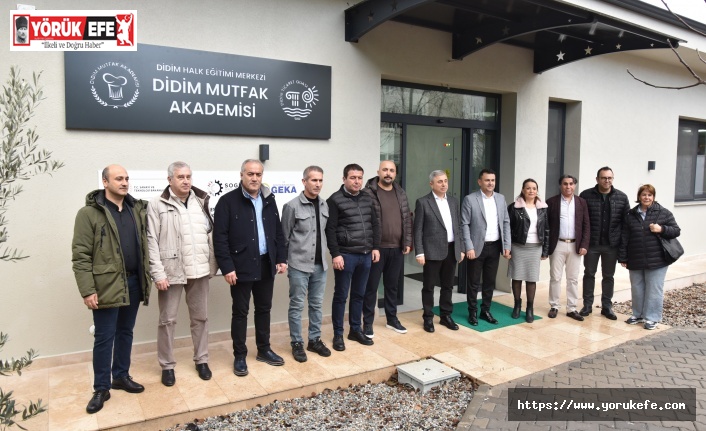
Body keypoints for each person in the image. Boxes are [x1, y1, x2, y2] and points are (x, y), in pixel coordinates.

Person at [72, 165, 150, 414]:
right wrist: (87, 290)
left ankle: (121, 376)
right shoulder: (89, 214)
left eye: (126, 178)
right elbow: (81, 256)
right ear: (105, 182)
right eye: (118, 179)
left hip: (134, 282)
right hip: (106, 285)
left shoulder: (135, 209)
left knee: (126, 331)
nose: (124, 182)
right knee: (104, 337)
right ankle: (101, 388)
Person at [213, 159, 287, 377]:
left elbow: (278, 231)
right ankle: (240, 355)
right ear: (241, 175)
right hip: (241, 266)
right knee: (240, 312)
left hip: (266, 264)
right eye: (250, 174)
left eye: (258, 174)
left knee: (264, 309)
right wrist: (227, 267)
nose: (255, 178)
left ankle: (264, 349)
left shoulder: (269, 199)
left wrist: (281, 257)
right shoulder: (227, 202)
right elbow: (220, 238)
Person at [147, 162, 216, 386]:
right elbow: (151, 241)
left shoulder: (201, 201)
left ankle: (202, 360)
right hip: (171, 271)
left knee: (201, 318)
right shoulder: (157, 204)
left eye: (188, 176)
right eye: (180, 177)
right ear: (170, 180)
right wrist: (158, 273)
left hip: (199, 270)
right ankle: (167, 366)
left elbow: (209, 234)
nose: (186, 181)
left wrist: (212, 266)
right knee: (167, 320)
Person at [326, 163, 380, 351]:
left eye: (359, 178)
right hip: (346, 255)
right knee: (341, 296)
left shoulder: (367, 198)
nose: (357, 181)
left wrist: (375, 247)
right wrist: (335, 254)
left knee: (359, 295)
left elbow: (375, 224)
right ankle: (338, 334)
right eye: (353, 178)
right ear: (344, 179)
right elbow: (330, 230)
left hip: (365, 255)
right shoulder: (335, 200)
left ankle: (355, 330)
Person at [281, 166, 332, 362]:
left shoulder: (324, 205)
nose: (317, 184)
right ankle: (296, 343)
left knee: (316, 305)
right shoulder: (292, 206)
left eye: (320, 180)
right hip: (299, 265)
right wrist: (284, 262)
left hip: (320, 266)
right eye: (313, 180)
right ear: (304, 182)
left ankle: (314, 340)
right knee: (297, 305)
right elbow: (284, 237)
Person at [619, 185, 680, 330]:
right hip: (635, 257)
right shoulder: (631, 215)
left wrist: (661, 229)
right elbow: (624, 237)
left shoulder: (663, 213)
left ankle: (652, 318)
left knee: (654, 289)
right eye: (644, 195)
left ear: (653, 197)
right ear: (639, 197)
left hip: (657, 259)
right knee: (637, 288)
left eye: (649, 195)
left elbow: (676, 231)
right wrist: (623, 257)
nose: (646, 197)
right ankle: (638, 314)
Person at [362, 160, 413, 336]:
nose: (388, 173)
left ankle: (392, 319)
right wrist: (371, 246)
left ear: (395, 173)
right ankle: (367, 323)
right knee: (371, 287)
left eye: (391, 170)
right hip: (376, 249)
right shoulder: (368, 192)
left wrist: (407, 242)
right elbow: (364, 222)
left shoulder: (400, 192)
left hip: (397, 248)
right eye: (385, 170)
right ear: (378, 172)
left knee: (392, 286)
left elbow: (407, 219)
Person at [414, 170, 464, 333]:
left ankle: (445, 315)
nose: (443, 184)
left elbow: (458, 226)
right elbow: (418, 229)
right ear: (431, 184)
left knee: (448, 285)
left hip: (451, 249)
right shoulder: (423, 202)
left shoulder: (453, 201)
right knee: (429, 286)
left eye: (445, 181)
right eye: (439, 181)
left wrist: (461, 248)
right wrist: (420, 252)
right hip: (431, 251)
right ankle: (428, 317)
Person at [461, 168, 511, 326]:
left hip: (495, 246)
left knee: (490, 281)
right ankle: (472, 312)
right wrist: (468, 247)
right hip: (476, 248)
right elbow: (464, 224)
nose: (490, 183)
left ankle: (485, 311)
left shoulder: (501, 199)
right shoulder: (470, 199)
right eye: (487, 180)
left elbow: (505, 222)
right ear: (479, 182)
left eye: (493, 180)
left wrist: (506, 245)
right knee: (473, 282)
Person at [579, 167, 630, 320]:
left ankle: (607, 306)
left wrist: (623, 246)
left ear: (612, 179)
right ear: (597, 179)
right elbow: (581, 221)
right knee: (589, 274)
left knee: (608, 276)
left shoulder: (622, 197)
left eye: (609, 178)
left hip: (611, 245)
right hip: (592, 244)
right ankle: (587, 305)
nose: (607, 180)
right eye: (603, 178)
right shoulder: (586, 195)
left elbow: (626, 224)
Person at [546, 175, 590, 321]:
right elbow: (546, 225)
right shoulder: (551, 202)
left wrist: (584, 244)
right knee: (555, 277)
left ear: (575, 185)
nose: (568, 186)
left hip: (575, 245)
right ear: (560, 185)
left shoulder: (581, 202)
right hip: (557, 244)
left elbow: (586, 225)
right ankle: (554, 306)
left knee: (573, 278)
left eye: (571, 184)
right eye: (565, 184)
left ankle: (572, 308)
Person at [507, 178, 550, 323]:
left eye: (534, 188)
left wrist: (545, 250)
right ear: (523, 190)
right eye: (528, 188)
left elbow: (546, 230)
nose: (531, 191)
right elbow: (508, 228)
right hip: (518, 246)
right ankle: (517, 305)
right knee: (517, 276)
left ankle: (530, 308)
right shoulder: (514, 207)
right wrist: (507, 247)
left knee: (532, 278)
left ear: (537, 191)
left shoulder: (543, 208)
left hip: (535, 247)